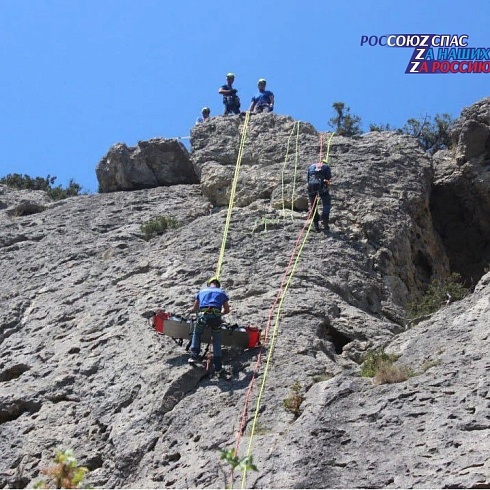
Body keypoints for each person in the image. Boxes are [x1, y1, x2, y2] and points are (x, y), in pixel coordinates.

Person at [188, 277, 230, 373]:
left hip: (203, 316)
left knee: (197, 333)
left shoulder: (202, 291)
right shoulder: (221, 292)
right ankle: (218, 367)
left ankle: (194, 355)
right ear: (218, 285)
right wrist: (220, 314)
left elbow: (195, 308)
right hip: (216, 318)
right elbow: (227, 310)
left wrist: (190, 310)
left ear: (209, 284)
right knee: (216, 339)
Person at [307, 159, 332, 233]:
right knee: (326, 203)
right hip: (322, 188)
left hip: (311, 187)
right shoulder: (326, 167)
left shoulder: (311, 167)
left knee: (313, 206)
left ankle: (316, 224)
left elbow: (308, 179)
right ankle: (325, 221)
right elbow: (328, 178)